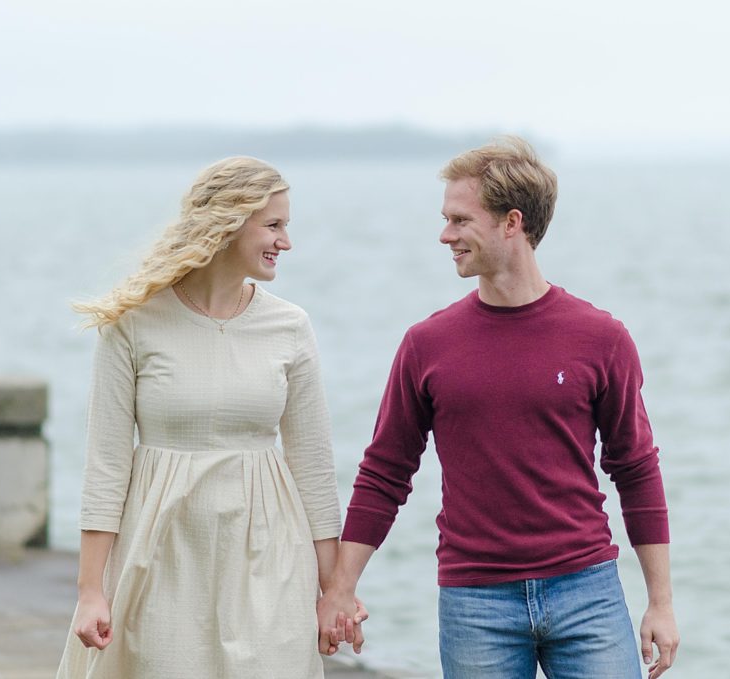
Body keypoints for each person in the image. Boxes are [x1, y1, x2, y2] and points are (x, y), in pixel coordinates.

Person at [318, 137, 679, 678]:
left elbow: (635, 467)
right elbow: (386, 472)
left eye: (460, 220)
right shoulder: (427, 345)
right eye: (446, 220)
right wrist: (340, 588)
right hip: (475, 601)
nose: (445, 235)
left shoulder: (601, 337)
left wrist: (661, 602)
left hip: (588, 591)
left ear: (512, 223)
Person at [56, 156, 364, 679]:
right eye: (274, 225)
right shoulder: (132, 322)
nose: (285, 242)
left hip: (271, 556)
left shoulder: (290, 327)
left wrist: (335, 591)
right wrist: (91, 592)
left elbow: (312, 467)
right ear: (227, 224)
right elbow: (106, 467)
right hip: (160, 555)